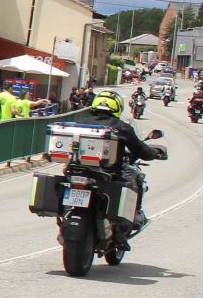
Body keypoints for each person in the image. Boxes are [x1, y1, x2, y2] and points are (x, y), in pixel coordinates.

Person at [66, 89, 167, 229]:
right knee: (135, 179)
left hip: (77, 170)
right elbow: (141, 150)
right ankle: (128, 224)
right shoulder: (121, 127)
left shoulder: (79, 123)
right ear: (117, 107)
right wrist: (154, 152)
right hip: (108, 174)